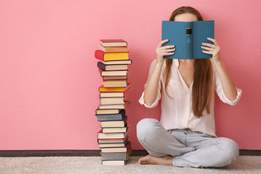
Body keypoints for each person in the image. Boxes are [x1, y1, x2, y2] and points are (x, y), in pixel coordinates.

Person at [136, 6, 242, 168]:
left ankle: (170, 160)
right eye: (181, 28)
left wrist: (218, 62)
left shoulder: (211, 64)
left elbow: (232, 98)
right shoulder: (161, 65)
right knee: (145, 127)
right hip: (168, 138)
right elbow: (149, 102)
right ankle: (195, 157)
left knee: (230, 149)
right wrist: (159, 62)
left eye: (192, 28)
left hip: (203, 139)